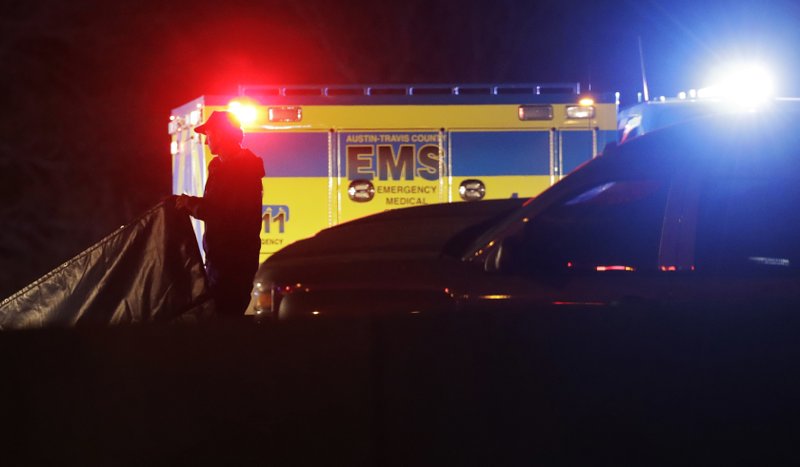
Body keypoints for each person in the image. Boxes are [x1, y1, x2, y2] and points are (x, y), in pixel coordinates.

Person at [176, 111, 265, 317]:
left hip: (233, 264)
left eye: (209, 134)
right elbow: (216, 206)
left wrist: (190, 204)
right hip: (220, 262)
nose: (206, 141)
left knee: (223, 321)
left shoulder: (241, 170)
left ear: (222, 135)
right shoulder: (221, 167)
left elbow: (223, 214)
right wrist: (190, 204)